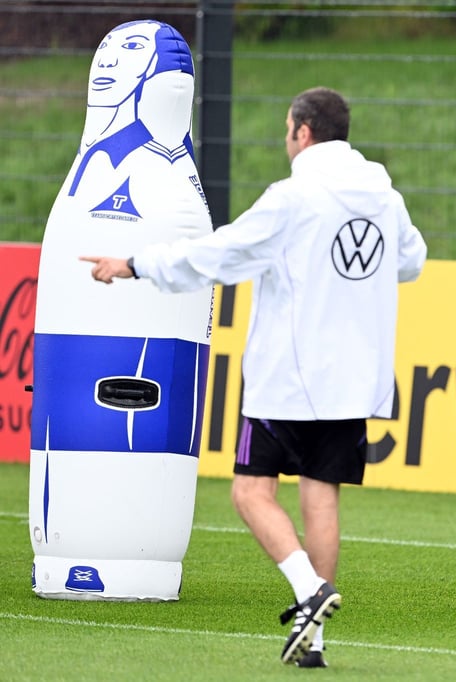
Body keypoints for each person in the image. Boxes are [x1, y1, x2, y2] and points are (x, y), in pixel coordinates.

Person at [83, 86, 427, 665]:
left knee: (249, 492)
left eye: (287, 128)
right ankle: (313, 641)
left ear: (302, 130)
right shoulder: (381, 193)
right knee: (321, 502)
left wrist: (135, 263)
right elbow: (410, 261)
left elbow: (219, 254)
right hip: (353, 381)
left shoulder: (293, 197)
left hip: (288, 379)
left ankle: (308, 591)